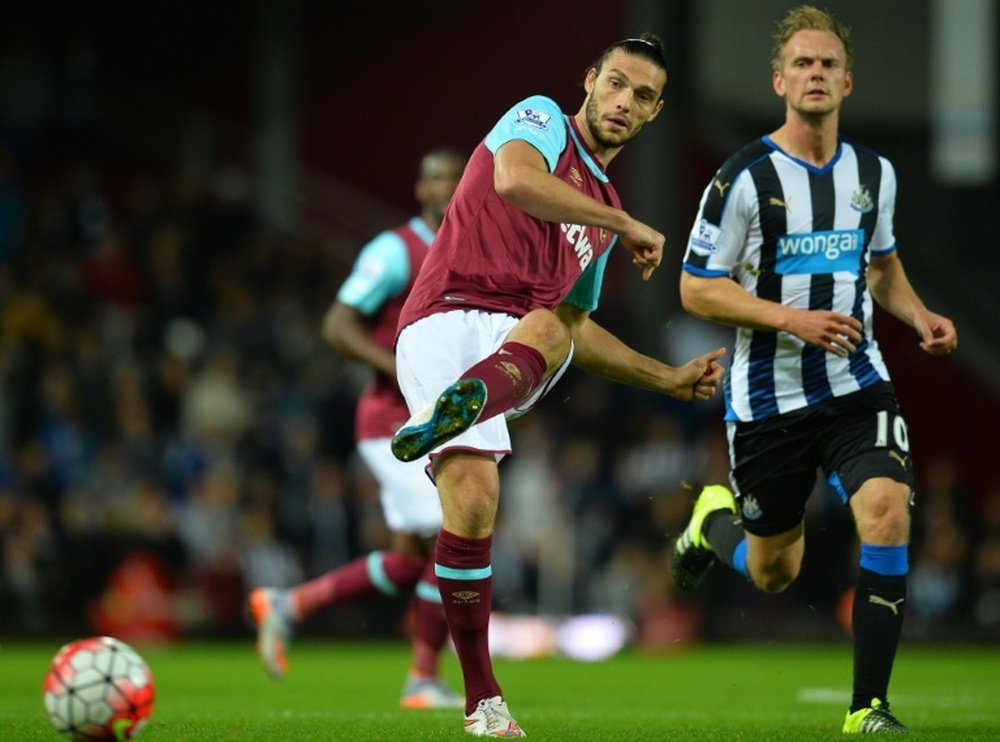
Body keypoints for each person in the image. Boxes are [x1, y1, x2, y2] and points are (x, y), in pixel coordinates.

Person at [389, 35, 726, 737]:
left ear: (654, 112)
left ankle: (464, 405)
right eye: (616, 84)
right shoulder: (541, 120)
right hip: (440, 317)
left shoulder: (601, 215)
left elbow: (579, 327)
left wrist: (667, 377)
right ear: (590, 82)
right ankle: (484, 698)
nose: (624, 101)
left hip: (515, 343)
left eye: (641, 95)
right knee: (476, 504)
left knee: (552, 327)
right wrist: (623, 221)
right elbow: (512, 180)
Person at [672, 5, 958, 735]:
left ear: (848, 82)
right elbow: (696, 285)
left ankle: (868, 707)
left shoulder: (873, 173)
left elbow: (883, 267)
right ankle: (711, 524)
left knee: (888, 512)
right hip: (768, 400)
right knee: (775, 572)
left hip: (858, 384)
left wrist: (917, 315)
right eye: (802, 63)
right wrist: (792, 319)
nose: (816, 74)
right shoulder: (743, 177)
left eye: (828, 64)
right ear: (780, 81)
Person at [248, 147, 468, 710]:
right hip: (391, 421)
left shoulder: (467, 249)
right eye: (436, 179)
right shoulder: (395, 251)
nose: (446, 187)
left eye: (456, 178)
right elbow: (337, 323)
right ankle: (422, 678)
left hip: (436, 421)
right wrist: (397, 366)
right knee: (455, 531)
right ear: (420, 190)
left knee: (408, 559)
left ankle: (289, 605)